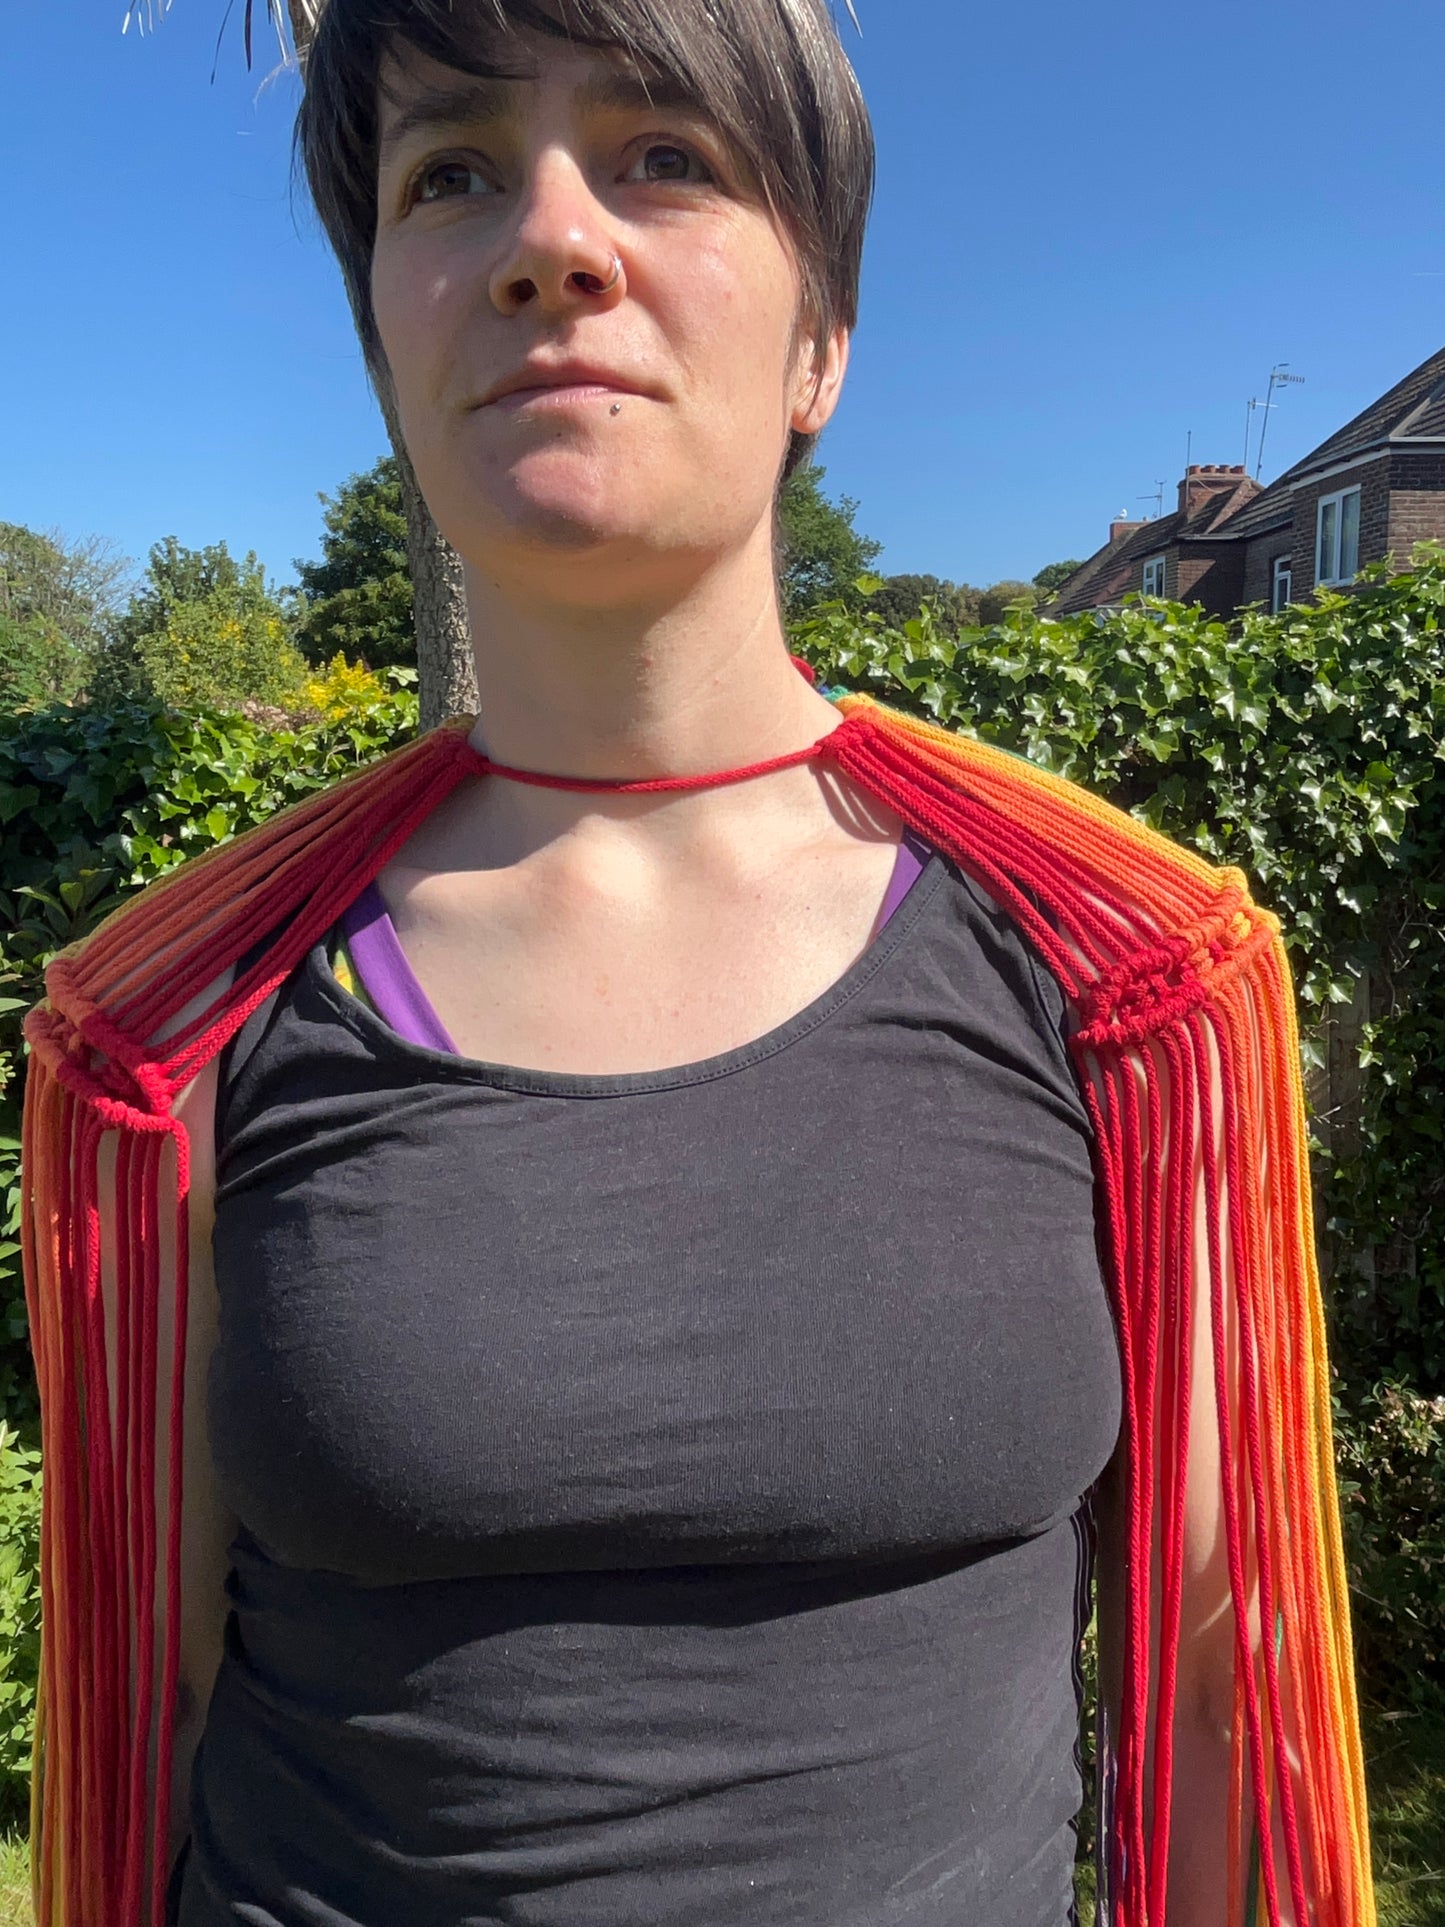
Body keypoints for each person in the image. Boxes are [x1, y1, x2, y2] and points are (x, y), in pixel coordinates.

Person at [20, 2, 1374, 1924]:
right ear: (386, 334)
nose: (549, 240)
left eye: (666, 154)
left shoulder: (1133, 979)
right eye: (451, 172)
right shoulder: (166, 1030)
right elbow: (135, 1704)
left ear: (821, 340)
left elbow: (1233, 1677)